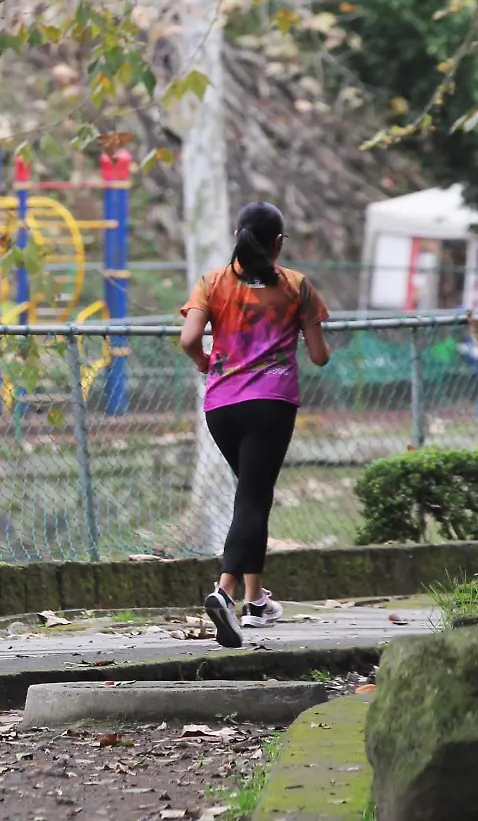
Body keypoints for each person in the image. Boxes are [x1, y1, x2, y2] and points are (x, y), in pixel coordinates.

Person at [179, 202, 331, 648]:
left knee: (253, 492)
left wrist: (208, 363)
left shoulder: (212, 283)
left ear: (237, 235)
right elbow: (320, 356)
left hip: (221, 404)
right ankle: (224, 592)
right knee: (252, 495)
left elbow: (189, 339)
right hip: (271, 403)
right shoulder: (296, 287)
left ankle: (256, 601)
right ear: (278, 242)